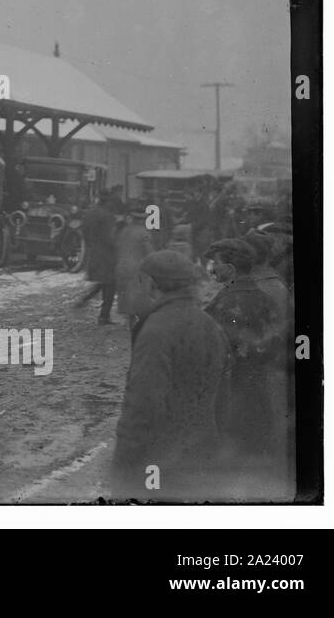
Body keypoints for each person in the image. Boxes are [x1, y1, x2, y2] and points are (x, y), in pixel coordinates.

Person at [109, 250, 231, 500]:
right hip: (203, 456)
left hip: (161, 463)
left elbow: (143, 406)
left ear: (152, 284)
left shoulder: (156, 331)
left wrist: (122, 467)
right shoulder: (209, 323)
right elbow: (224, 393)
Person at [204, 238, 290, 470]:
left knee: (235, 459)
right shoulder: (265, 299)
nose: (212, 269)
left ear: (230, 269)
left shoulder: (225, 303)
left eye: (216, 263)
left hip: (232, 393)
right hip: (261, 390)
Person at [76, 187, 122, 324]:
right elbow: (110, 238)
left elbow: (84, 232)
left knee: (105, 281)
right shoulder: (107, 215)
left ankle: (86, 299)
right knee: (110, 283)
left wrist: (91, 245)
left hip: (94, 252)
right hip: (107, 254)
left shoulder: (89, 213)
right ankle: (104, 316)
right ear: (108, 201)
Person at [114, 199, 156, 332]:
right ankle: (141, 324)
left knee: (126, 297)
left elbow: (117, 247)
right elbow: (150, 253)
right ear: (143, 219)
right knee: (140, 297)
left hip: (121, 266)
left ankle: (131, 322)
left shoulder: (124, 231)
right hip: (137, 268)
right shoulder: (144, 233)